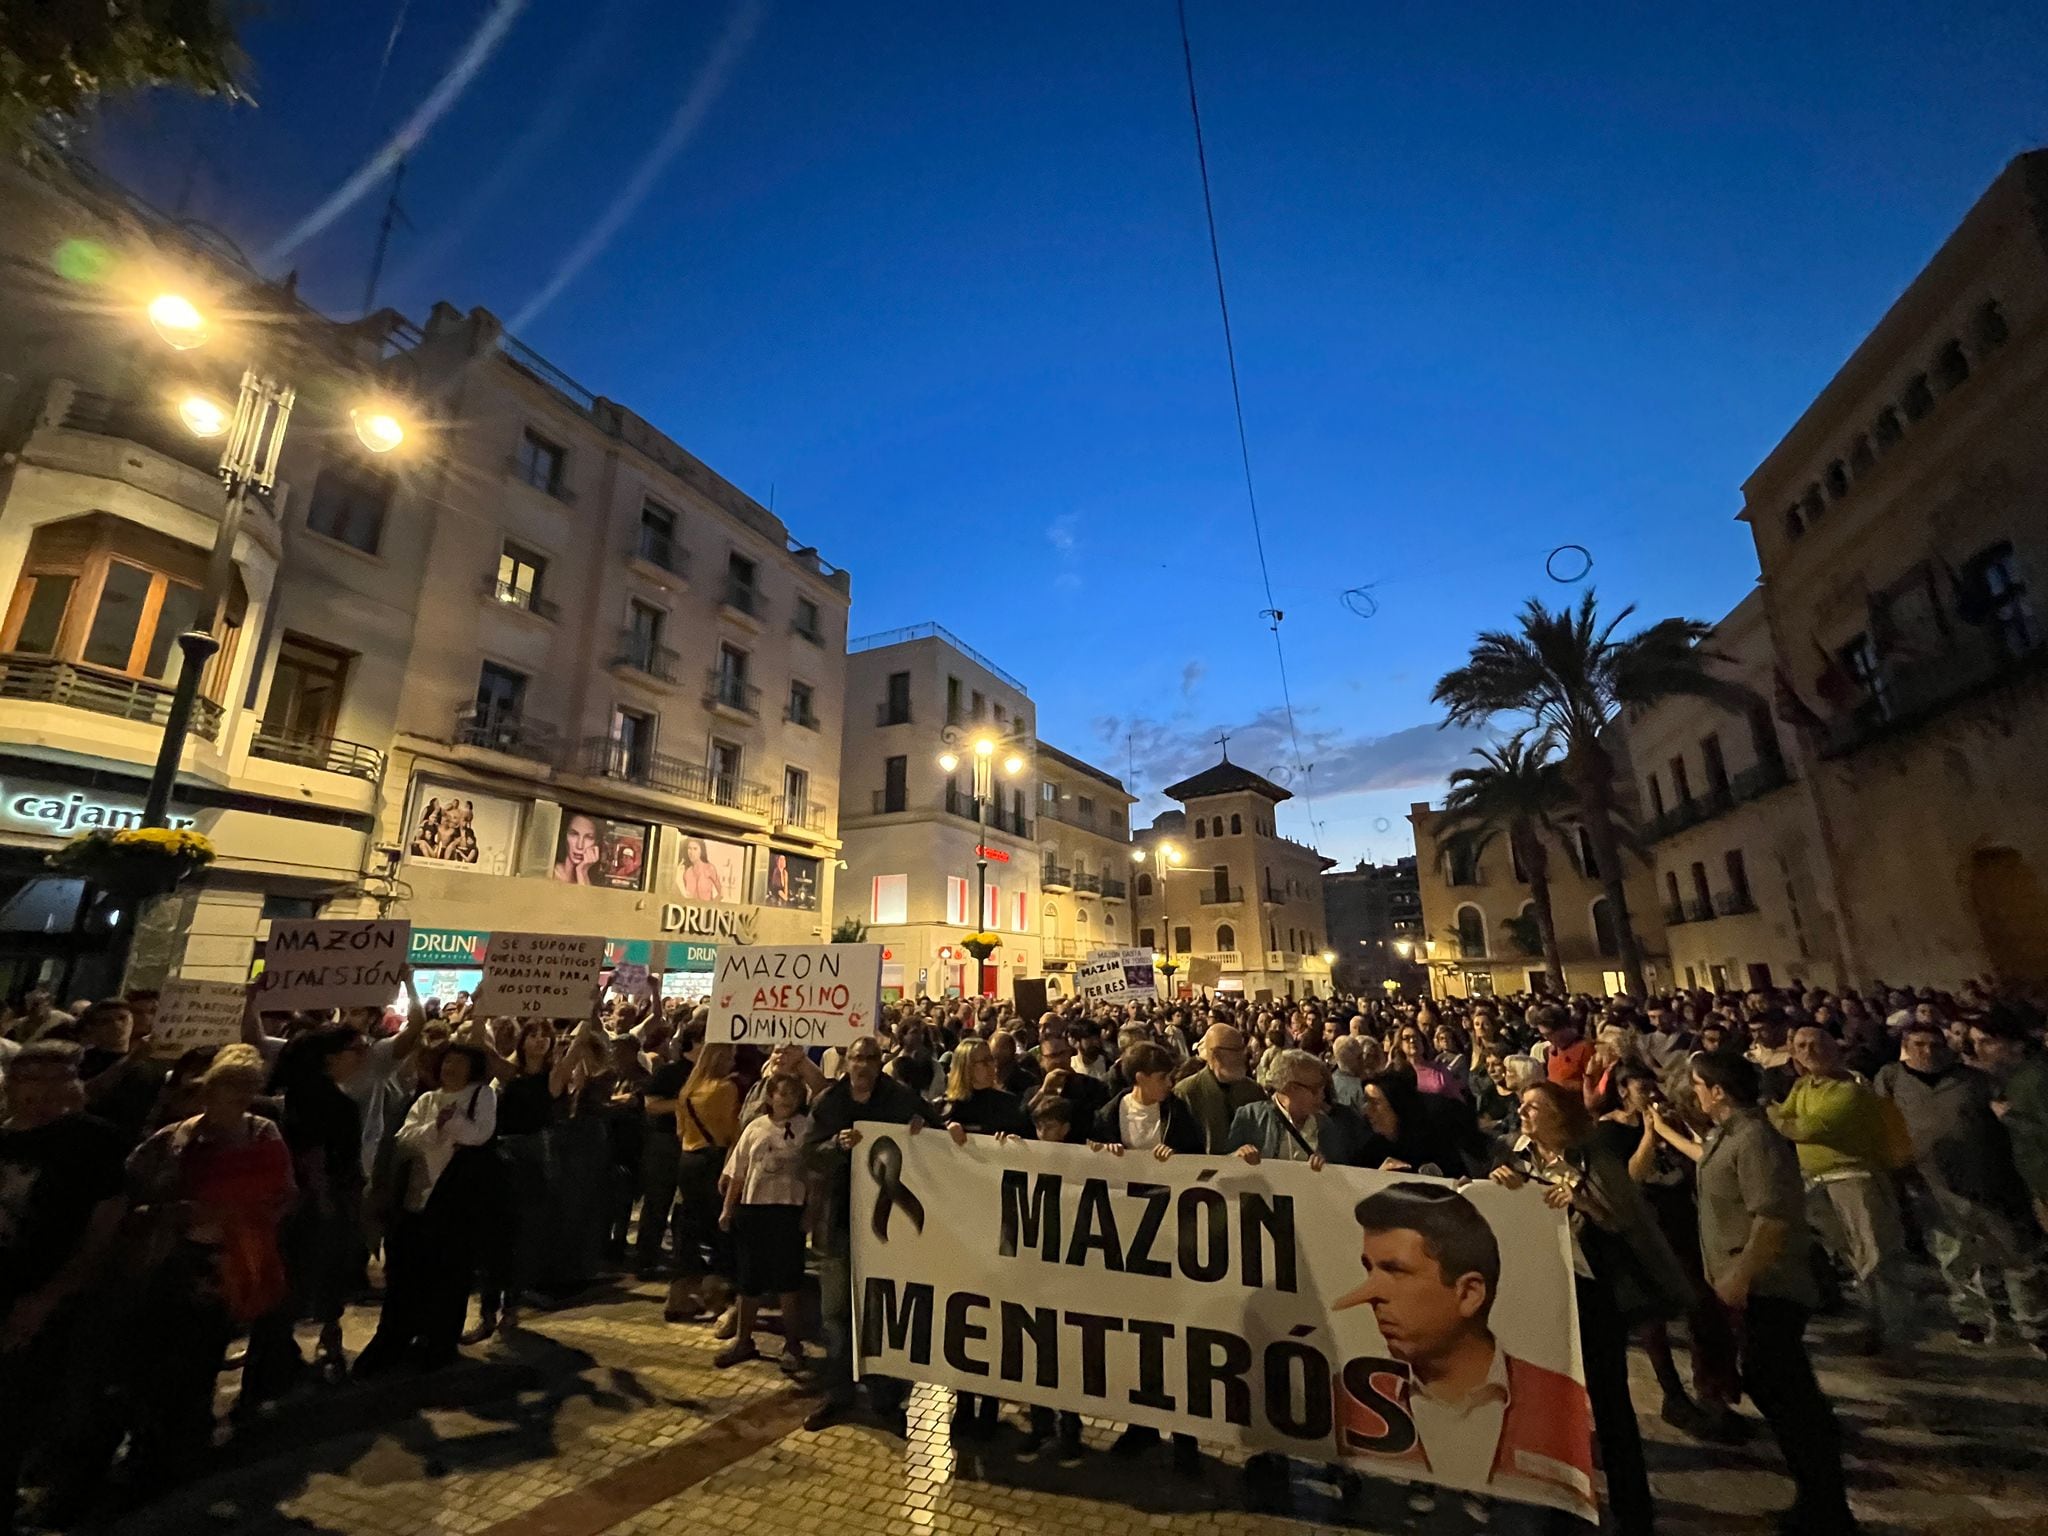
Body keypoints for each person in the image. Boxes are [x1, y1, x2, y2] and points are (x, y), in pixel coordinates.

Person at [1651, 1052, 1858, 1535]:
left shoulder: (1757, 1139)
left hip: (1769, 1285)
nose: (1696, 1093)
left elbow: (1772, 1216)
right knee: (1773, 1385)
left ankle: (1827, 1505)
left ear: (1718, 1090)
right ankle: (1814, 1496)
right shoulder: (1730, 1135)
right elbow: (1710, 1162)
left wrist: (1742, 1275)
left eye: (1700, 1085)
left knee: (1785, 1389)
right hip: (1744, 1282)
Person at [1331, 1181, 1598, 1521]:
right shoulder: (1353, 1394)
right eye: (1370, 1268)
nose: (1370, 1293)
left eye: (1395, 1271)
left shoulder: (1554, 1399)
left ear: (1469, 1292)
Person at [1494, 1082, 1688, 1535]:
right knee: (1550, 1400)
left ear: (1559, 1117)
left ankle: (1632, 1507)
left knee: (1610, 1401)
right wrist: (1502, 1186)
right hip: (1545, 1292)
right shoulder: (1516, 1153)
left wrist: (1578, 1200)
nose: (1523, 1112)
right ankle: (1558, 1498)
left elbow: (1621, 1218)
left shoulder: (1590, 1157)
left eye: (1534, 1106)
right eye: (1522, 1104)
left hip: (1595, 1294)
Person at [124, 1044, 297, 1481]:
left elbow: (285, 1194)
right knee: (160, 1356)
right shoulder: (174, 1138)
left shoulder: (263, 1134)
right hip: (177, 1259)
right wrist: (178, 1213)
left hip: (230, 1261)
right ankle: (153, 1447)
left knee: (202, 1357)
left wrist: (248, 1211)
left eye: (248, 1088)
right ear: (209, 1090)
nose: (240, 1097)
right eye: (230, 1087)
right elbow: (131, 1190)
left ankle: (185, 1446)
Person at [0, 1042, 127, 1535]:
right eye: (30, 1082)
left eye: (57, 1082)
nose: (41, 1095)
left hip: (52, 1298)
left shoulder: (94, 1143)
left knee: (26, 1410)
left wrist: (49, 1297)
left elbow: (103, 1230)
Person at [1876, 1018, 2046, 1352]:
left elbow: (2003, 1119)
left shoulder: (1974, 1080)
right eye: (1918, 1045)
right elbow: (1884, 1125)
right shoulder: (1891, 1079)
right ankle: (1974, 1317)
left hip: (1984, 1180)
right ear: (1906, 1048)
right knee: (1954, 1257)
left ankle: (2035, 1323)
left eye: (1935, 1044)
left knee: (2014, 1254)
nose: (1928, 1051)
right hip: (1930, 1186)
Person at [801, 1034, 935, 1432]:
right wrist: (835, 1147)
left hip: (887, 1226)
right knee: (836, 1313)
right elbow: (809, 1155)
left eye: (870, 1059)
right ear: (846, 1062)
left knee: (881, 1310)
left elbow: (938, 1133)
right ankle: (839, 1393)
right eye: (856, 1058)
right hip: (839, 1222)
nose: (862, 1066)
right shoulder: (830, 1103)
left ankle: (885, 1397)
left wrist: (921, 1127)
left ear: (880, 1063)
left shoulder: (900, 1098)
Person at [1772, 1025, 1916, 1359]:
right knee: (1854, 1261)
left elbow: (1801, 1127)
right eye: (1801, 1046)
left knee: (1877, 1259)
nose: (1809, 1051)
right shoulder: (1804, 1085)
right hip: (1819, 1183)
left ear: (1835, 1048)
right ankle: (1875, 1326)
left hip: (1854, 1180)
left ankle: (1899, 1339)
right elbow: (1787, 1118)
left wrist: (1773, 1113)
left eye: (1816, 1044)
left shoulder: (1850, 1089)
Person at [356, 1044, 497, 1376]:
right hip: (416, 1196)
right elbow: (405, 1140)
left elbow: (479, 1135)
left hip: (456, 1199)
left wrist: (454, 1123)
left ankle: (438, 1343)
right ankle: (398, 1339)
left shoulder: (481, 1096)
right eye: (447, 1061)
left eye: (460, 1062)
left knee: (449, 1274)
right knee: (407, 1271)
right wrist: (438, 1127)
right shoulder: (427, 1100)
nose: (451, 1068)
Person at [715, 1072, 810, 1371]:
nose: (788, 1100)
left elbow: (815, 1174)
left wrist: (811, 1212)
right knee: (749, 1280)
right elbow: (739, 1172)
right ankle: (744, 1340)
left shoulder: (806, 1129)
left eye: (794, 1094)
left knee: (788, 1281)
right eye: (782, 1093)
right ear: (770, 1097)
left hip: (787, 1209)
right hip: (754, 1210)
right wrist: (728, 1209)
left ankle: (793, 1344)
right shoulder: (755, 1128)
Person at [668, 1043, 740, 1323]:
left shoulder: (687, 1090)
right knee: (720, 1228)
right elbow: (732, 1131)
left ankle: (681, 1296)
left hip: (687, 1160)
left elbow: (680, 1130)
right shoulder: (725, 1089)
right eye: (730, 1055)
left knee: (690, 1225)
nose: (734, 1059)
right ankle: (716, 1296)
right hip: (713, 1160)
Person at [1971, 1010, 2048, 1228]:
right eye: (1974, 1042)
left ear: (2017, 1044)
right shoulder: (2013, 1077)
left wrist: (2009, 1117)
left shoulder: (2035, 1078)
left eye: (1987, 1042)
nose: (1978, 1050)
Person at [1227, 1049, 1336, 1167]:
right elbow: (1224, 1166)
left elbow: (1340, 1171)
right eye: (1315, 1089)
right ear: (1290, 1088)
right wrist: (1237, 1157)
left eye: (1323, 1088)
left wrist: (1326, 1167)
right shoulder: (1251, 1118)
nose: (1322, 1095)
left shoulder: (1325, 1124)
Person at [1174, 1024, 1263, 1153]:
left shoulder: (1253, 1090)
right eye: (1236, 1050)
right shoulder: (1186, 1093)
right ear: (1216, 1054)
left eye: (1243, 1049)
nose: (1243, 1056)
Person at [552, 812, 603, 884]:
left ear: (596, 842)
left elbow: (585, 895)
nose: (579, 846)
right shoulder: (548, 872)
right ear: (565, 836)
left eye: (589, 837)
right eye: (574, 834)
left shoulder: (589, 880)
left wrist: (582, 871)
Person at [679, 837, 727, 902]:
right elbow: (686, 896)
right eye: (689, 848)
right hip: (691, 910)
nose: (691, 852)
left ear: (701, 850)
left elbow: (721, 893)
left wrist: (711, 906)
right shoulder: (687, 873)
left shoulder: (709, 868)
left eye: (695, 849)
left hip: (707, 910)